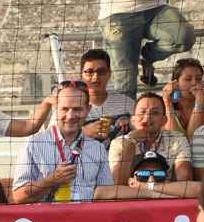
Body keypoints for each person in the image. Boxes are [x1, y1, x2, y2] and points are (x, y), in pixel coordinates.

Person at [13, 82, 152, 202]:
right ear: (56, 109)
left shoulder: (97, 148)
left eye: (77, 109)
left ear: (88, 110)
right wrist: (52, 180)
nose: (70, 116)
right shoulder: (33, 144)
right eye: (65, 109)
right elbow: (18, 196)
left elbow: (106, 194)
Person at [96, 0, 195, 97]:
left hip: (156, 7)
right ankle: (125, 116)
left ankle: (146, 58)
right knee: (126, 80)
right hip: (118, 13)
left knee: (183, 36)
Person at [109, 92, 193, 185]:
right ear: (133, 120)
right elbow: (117, 184)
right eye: (142, 112)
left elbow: (185, 183)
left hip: (166, 198)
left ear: (164, 120)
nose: (147, 116)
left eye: (155, 112)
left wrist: (150, 188)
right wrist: (130, 142)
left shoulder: (177, 139)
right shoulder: (119, 143)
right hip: (131, 198)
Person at [76, 49, 137, 146]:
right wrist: (84, 132)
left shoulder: (126, 102)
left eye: (101, 71)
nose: (95, 77)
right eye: (89, 72)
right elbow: (56, 139)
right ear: (81, 75)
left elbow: (142, 132)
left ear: (109, 74)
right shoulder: (70, 105)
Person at [162, 58, 204, 139]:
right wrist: (167, 103)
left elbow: (193, 140)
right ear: (175, 83)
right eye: (188, 79)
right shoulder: (164, 110)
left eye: (198, 78)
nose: (194, 83)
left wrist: (200, 101)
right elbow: (174, 141)